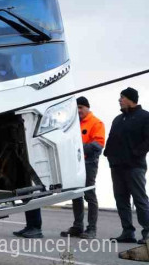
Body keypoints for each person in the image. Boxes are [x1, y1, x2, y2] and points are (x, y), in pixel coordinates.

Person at [104, 87, 149, 244]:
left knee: (140, 199)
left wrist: (136, 154)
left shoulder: (145, 117)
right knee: (121, 199)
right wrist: (108, 154)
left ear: (131, 99)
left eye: (122, 97)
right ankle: (128, 232)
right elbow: (110, 139)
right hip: (116, 166)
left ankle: (148, 232)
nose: (119, 100)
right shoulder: (117, 119)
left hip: (135, 166)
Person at [60, 96, 105, 239]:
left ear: (87, 107)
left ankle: (92, 229)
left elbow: (98, 145)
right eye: (76, 107)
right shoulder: (72, 124)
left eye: (81, 107)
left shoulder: (96, 123)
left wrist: (78, 148)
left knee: (89, 195)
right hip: (74, 164)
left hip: (89, 164)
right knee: (75, 194)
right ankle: (78, 226)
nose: (78, 110)